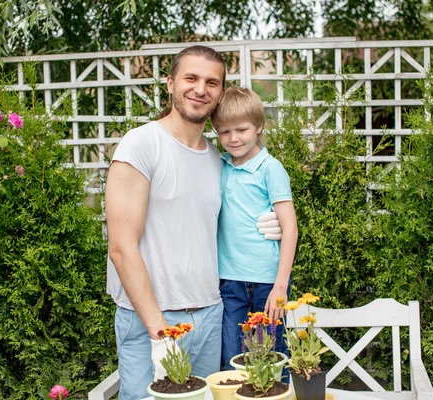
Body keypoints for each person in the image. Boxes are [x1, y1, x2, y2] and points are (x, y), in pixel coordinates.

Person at [105, 46, 281, 400]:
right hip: (153, 319)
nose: (201, 89)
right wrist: (161, 332)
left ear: (220, 93)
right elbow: (122, 249)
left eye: (211, 82)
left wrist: (269, 224)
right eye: (191, 78)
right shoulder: (141, 145)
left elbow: (219, 228)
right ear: (170, 83)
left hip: (210, 314)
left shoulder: (219, 160)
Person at [211, 87, 298, 377]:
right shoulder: (218, 165)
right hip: (229, 282)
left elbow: (290, 228)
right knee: (232, 362)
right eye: (224, 132)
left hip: (267, 282)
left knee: (273, 361)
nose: (233, 138)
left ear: (259, 127)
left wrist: (280, 286)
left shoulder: (270, 169)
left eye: (241, 129)